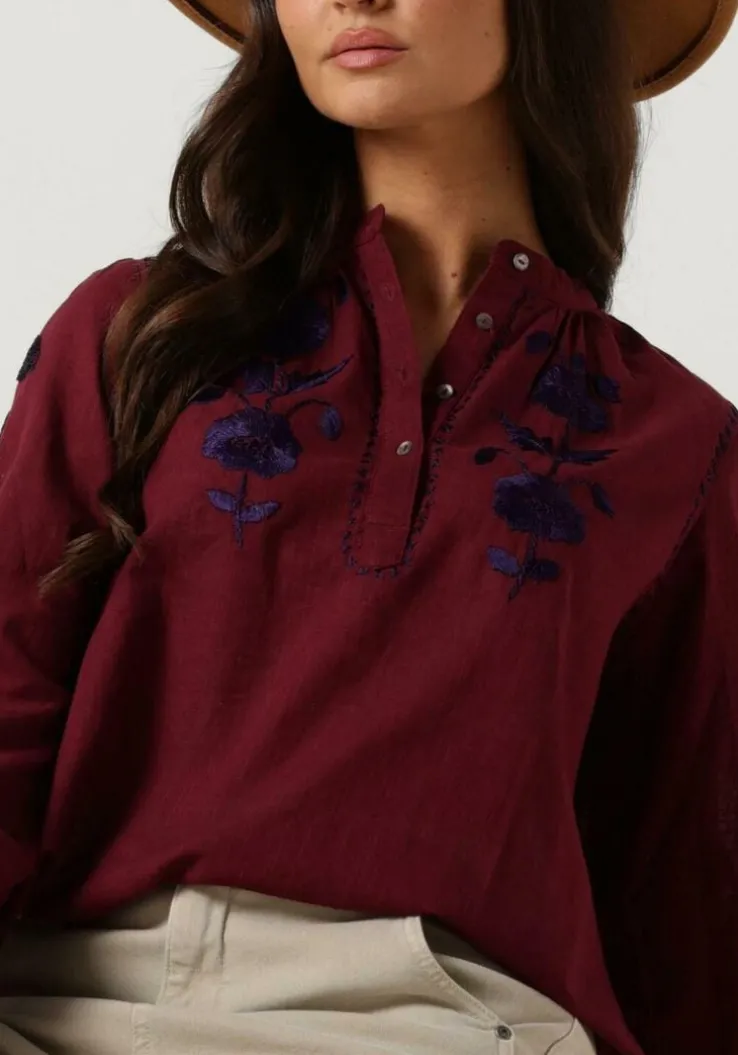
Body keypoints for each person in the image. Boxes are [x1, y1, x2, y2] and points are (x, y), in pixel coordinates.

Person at [0, 0, 736, 1052]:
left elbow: (685, 921)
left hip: (443, 1025)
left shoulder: (678, 446)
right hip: (66, 1004)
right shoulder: (134, 334)